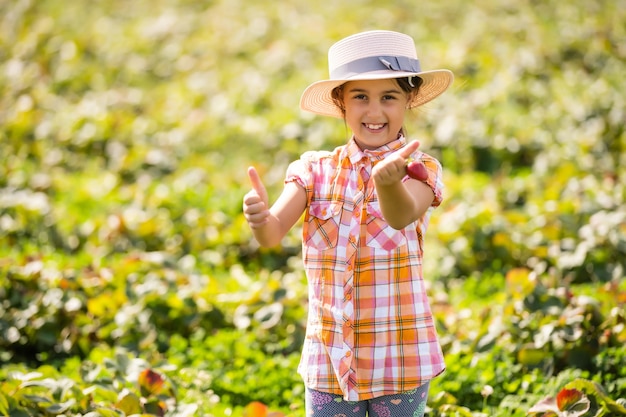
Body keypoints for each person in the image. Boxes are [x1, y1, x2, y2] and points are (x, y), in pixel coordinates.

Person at [243, 30, 453, 417]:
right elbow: (272, 233)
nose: (374, 112)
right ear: (340, 103)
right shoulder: (313, 171)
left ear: (409, 100)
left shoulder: (421, 170)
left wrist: (387, 183)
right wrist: (259, 218)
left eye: (388, 97)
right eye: (360, 97)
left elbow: (401, 214)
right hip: (329, 358)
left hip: (400, 357)